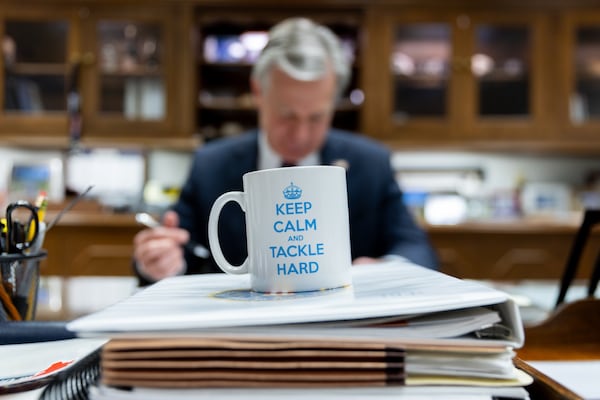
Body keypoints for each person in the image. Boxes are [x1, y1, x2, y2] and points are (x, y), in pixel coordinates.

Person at [133, 17, 438, 285]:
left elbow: (416, 249)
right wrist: (160, 258)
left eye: (317, 117)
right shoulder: (211, 165)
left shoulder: (371, 164)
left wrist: (384, 269)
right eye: (287, 115)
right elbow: (179, 246)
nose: (301, 134)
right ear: (257, 92)